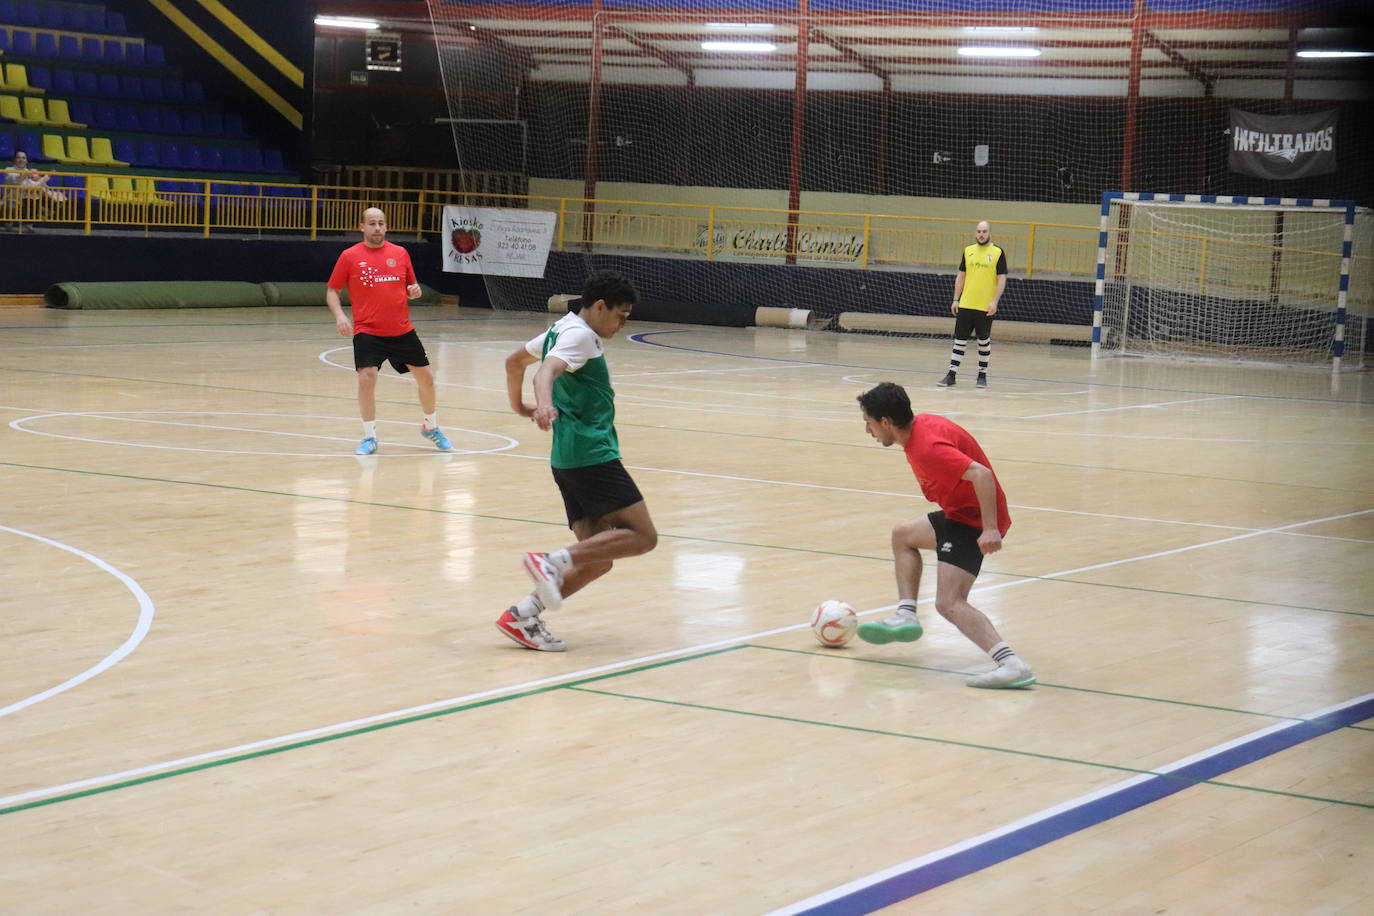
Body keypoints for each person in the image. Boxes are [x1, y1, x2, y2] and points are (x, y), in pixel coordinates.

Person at [498, 269, 658, 651]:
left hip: (567, 459)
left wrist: (518, 405)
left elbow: (513, 362)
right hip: (592, 454)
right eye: (620, 315)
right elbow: (546, 371)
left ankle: (523, 615)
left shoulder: (561, 328)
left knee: (599, 558)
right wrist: (544, 404)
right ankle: (550, 562)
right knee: (643, 537)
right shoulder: (579, 336)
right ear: (599, 306)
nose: (622, 324)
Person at [855, 381, 1035, 689]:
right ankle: (906, 614)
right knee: (903, 536)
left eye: (869, 424)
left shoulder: (927, 448)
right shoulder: (919, 429)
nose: (868, 431)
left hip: (973, 521)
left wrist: (990, 528)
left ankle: (1011, 664)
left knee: (948, 603)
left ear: (885, 422)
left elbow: (982, 474)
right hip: (959, 514)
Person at [326, 207, 452, 455]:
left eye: (381, 223)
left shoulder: (400, 253)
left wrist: (413, 291)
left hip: (401, 330)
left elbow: (410, 286)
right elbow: (332, 291)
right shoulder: (349, 256)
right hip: (367, 330)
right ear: (362, 227)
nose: (377, 228)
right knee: (367, 378)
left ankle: (431, 427)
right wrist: (340, 315)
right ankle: (369, 437)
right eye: (372, 223)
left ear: (386, 226)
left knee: (426, 379)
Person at [937, 220, 1006, 389]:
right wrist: (956, 299)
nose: (981, 234)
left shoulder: (997, 252)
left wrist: (995, 301)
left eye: (984, 231)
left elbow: (1001, 279)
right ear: (975, 234)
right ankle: (951, 375)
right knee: (959, 340)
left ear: (990, 234)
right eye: (979, 231)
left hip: (985, 307)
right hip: (966, 304)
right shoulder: (968, 251)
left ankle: (982, 375)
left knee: (983, 340)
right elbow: (961, 276)